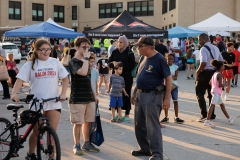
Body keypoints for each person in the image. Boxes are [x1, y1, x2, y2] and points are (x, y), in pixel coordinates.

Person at [11, 39, 69, 160]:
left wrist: (63, 93)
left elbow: (65, 78)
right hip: (37, 103)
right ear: (36, 50)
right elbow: (20, 80)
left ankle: (51, 155)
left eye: (48, 49)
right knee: (37, 132)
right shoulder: (30, 64)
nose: (46, 52)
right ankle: (31, 153)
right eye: (43, 50)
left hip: (54, 101)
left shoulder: (55, 62)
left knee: (52, 132)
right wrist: (14, 93)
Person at [130, 36, 172, 160]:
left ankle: (157, 154)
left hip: (152, 96)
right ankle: (145, 149)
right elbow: (139, 77)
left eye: (140, 46)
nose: (137, 48)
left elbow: (168, 79)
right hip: (140, 94)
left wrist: (167, 99)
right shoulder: (143, 57)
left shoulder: (159, 59)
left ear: (148, 47)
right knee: (139, 124)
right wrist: (134, 93)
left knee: (152, 126)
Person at [68, 36, 99, 156]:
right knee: (78, 123)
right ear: (77, 47)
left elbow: (89, 78)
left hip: (89, 97)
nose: (86, 49)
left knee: (88, 122)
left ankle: (87, 143)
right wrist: (86, 58)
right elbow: (83, 72)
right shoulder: (73, 62)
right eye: (83, 47)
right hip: (77, 98)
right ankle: (77, 144)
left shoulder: (86, 61)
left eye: (88, 47)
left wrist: (94, 94)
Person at [196, 33, 223, 122]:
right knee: (211, 94)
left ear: (204, 39)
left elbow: (203, 62)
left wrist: (198, 72)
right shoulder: (215, 48)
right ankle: (211, 115)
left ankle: (204, 115)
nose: (199, 42)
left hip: (206, 73)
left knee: (200, 93)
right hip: (214, 72)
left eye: (199, 40)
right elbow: (221, 61)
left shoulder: (203, 49)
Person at [108, 35, 135, 122]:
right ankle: (117, 114)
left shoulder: (129, 52)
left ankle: (126, 114)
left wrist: (120, 64)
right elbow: (109, 63)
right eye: (118, 42)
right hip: (115, 77)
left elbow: (132, 65)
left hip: (126, 78)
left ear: (125, 43)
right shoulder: (115, 52)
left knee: (126, 94)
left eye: (121, 42)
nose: (119, 44)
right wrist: (113, 63)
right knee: (116, 94)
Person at [203, 60, 235, 127]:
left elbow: (210, 82)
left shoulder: (215, 73)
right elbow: (220, 85)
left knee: (222, 106)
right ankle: (207, 121)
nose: (224, 67)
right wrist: (225, 84)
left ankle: (229, 118)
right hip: (217, 93)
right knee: (212, 105)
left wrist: (214, 86)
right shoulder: (220, 74)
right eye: (223, 66)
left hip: (214, 91)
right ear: (221, 67)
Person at [160, 53, 184, 124]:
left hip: (174, 86)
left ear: (174, 60)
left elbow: (176, 77)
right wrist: (170, 76)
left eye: (172, 59)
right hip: (165, 86)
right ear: (166, 59)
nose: (170, 60)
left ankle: (176, 117)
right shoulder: (164, 67)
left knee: (175, 101)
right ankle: (166, 117)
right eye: (169, 59)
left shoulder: (175, 67)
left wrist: (169, 76)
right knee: (166, 102)